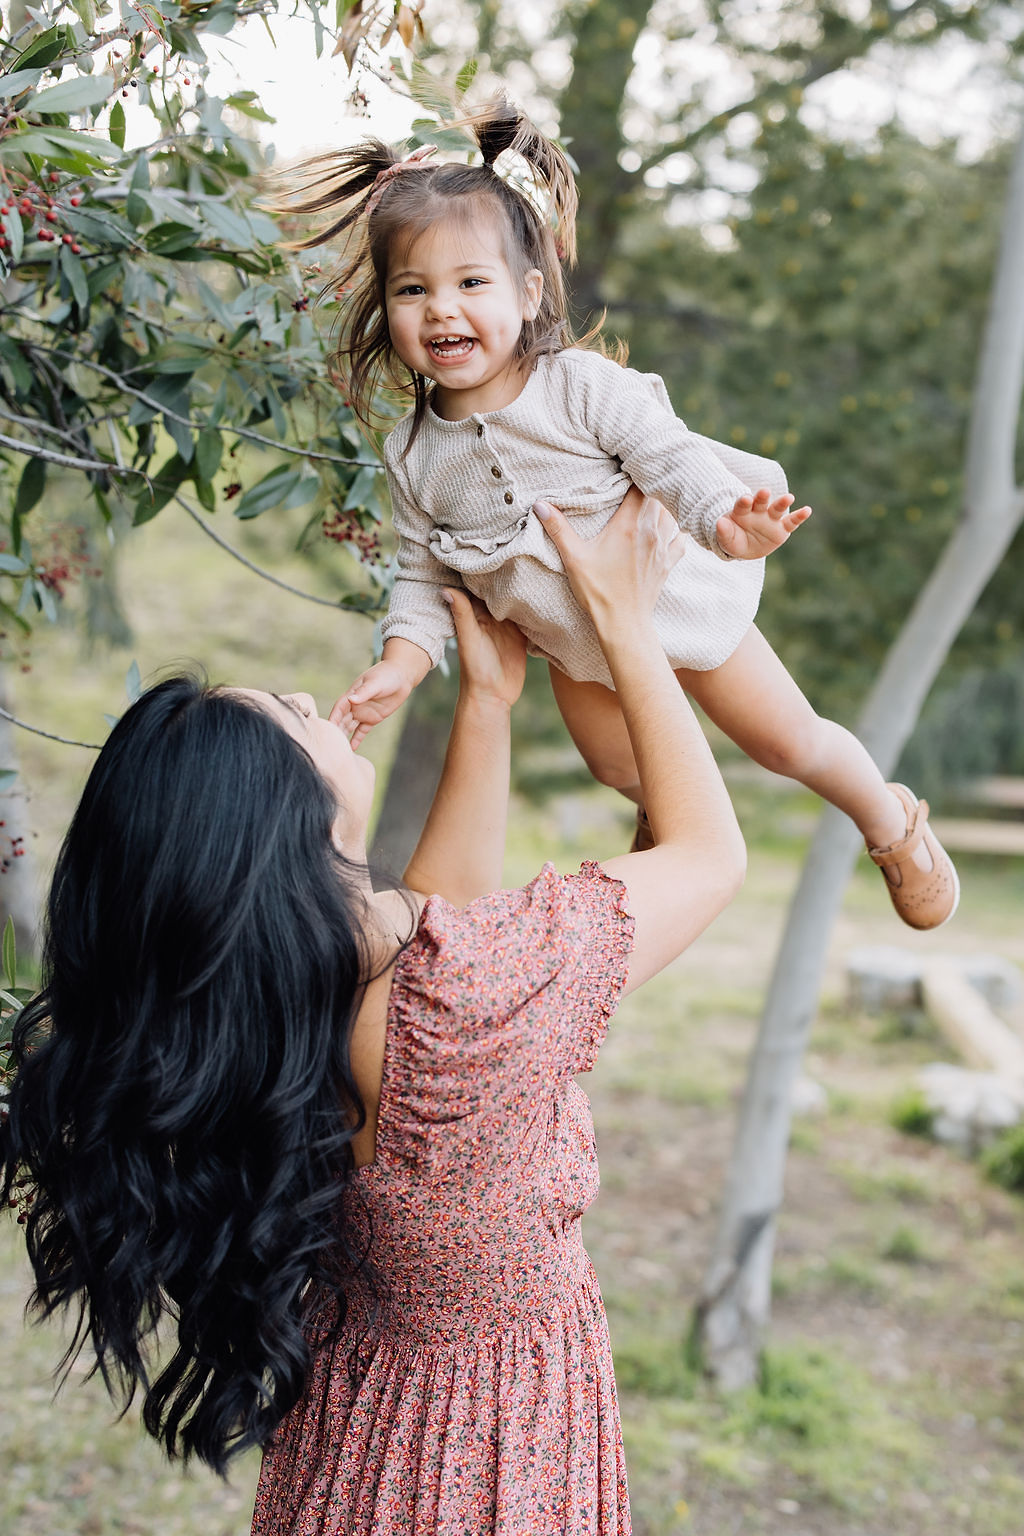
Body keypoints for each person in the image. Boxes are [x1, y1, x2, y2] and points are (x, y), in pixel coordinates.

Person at [3, 492, 743, 1535]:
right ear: (282, 828)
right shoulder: (460, 998)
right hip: (493, 1453)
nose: (315, 698)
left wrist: (484, 706)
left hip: (363, 1442)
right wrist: (623, 623)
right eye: (294, 716)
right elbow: (711, 857)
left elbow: (434, 930)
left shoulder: (265, 1005)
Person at [283, 98, 958, 931]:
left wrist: (723, 521)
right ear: (387, 308)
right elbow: (425, 574)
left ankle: (890, 823)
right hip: (578, 650)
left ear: (529, 294)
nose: (442, 310)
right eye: (412, 289)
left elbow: (669, 458)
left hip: (678, 608)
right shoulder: (412, 453)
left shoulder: (581, 387)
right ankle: (666, 798)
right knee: (612, 763)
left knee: (788, 743)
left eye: (470, 284)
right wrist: (402, 659)